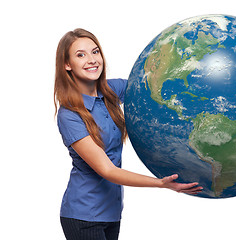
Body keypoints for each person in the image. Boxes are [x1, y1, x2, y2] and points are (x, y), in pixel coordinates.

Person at [54, 28, 202, 240]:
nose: (92, 60)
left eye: (95, 52)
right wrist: (160, 183)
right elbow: (107, 170)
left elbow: (151, 87)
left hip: (112, 213)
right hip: (83, 216)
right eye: (81, 55)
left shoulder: (110, 91)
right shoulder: (69, 114)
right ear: (67, 65)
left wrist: (189, 72)